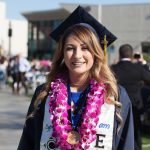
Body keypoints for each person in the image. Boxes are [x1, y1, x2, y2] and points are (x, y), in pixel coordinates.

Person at [18, 6, 134, 150]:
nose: (77, 55)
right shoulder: (44, 94)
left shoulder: (115, 96)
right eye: (70, 48)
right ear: (62, 53)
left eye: (85, 48)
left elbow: (126, 145)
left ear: (96, 52)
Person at [111, 44, 150, 150]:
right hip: (135, 105)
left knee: (117, 132)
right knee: (135, 132)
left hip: (117, 106)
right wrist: (144, 64)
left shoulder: (113, 68)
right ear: (132, 55)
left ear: (119, 54)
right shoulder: (138, 68)